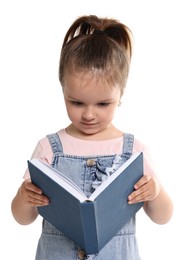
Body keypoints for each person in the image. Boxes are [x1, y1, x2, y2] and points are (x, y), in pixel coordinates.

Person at [11, 15, 173, 260]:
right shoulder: (49, 148)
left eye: (102, 103)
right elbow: (22, 218)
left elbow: (163, 217)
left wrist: (155, 192)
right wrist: (24, 197)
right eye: (76, 102)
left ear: (121, 94)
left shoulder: (134, 151)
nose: (88, 114)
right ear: (63, 89)